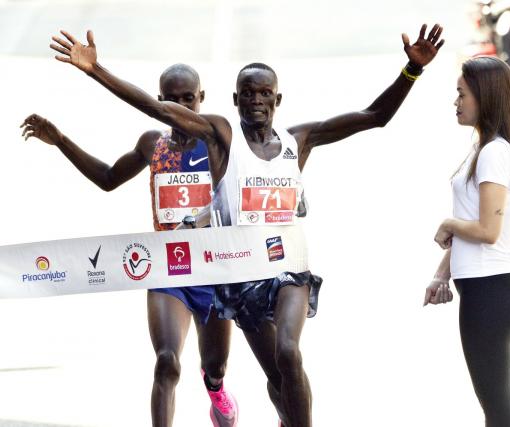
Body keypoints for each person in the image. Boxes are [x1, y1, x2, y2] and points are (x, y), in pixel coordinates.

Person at [48, 24, 444, 427]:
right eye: (248, 93)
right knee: (275, 375)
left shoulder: (299, 140)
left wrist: (411, 71)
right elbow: (160, 110)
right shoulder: (221, 137)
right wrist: (97, 71)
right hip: (241, 277)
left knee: (289, 353)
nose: (256, 100)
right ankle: (274, 411)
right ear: (235, 99)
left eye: (264, 93)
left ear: (278, 98)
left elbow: (374, 117)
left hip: (289, 270)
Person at [19, 64, 238, 427]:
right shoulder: (154, 144)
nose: (181, 107)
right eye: (172, 99)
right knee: (167, 362)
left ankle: (215, 388)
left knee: (215, 365)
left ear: (201, 99)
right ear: (159, 101)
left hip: (215, 270)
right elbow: (108, 178)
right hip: (169, 269)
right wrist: (60, 141)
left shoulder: (216, 141)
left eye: (189, 99)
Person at [424, 56, 510, 427]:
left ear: (484, 98)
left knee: (498, 408)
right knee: (493, 405)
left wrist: (447, 222)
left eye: (461, 94)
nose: (456, 102)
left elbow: (487, 230)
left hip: (492, 292)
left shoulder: (495, 152)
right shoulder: (483, 148)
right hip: (485, 290)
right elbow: (476, 224)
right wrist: (442, 274)